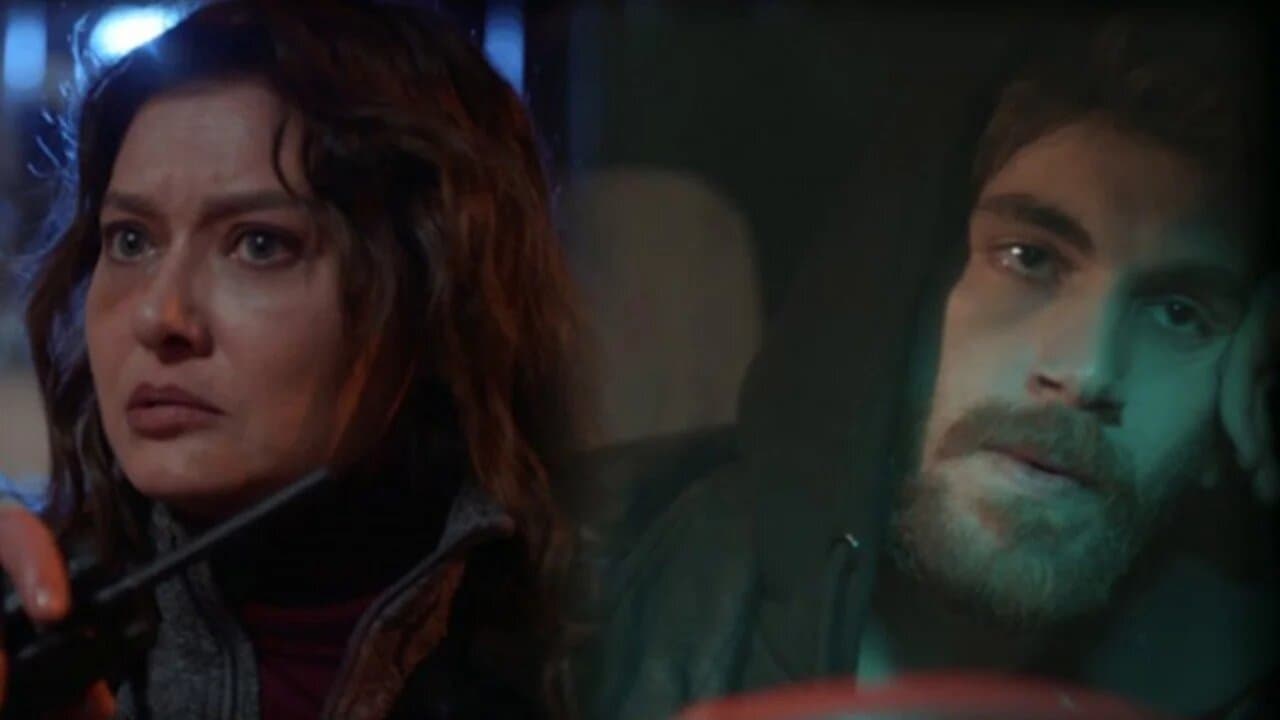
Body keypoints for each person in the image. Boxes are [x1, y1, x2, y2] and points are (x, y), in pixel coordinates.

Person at [575, 14, 1276, 720]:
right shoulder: (568, 595)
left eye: (1178, 314)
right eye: (1028, 258)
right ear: (897, 290)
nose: (1087, 370)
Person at [0, 1, 584, 718]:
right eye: (130, 240)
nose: (158, 317)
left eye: (259, 244)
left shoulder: (608, 639)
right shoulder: (30, 619)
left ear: (437, 294)